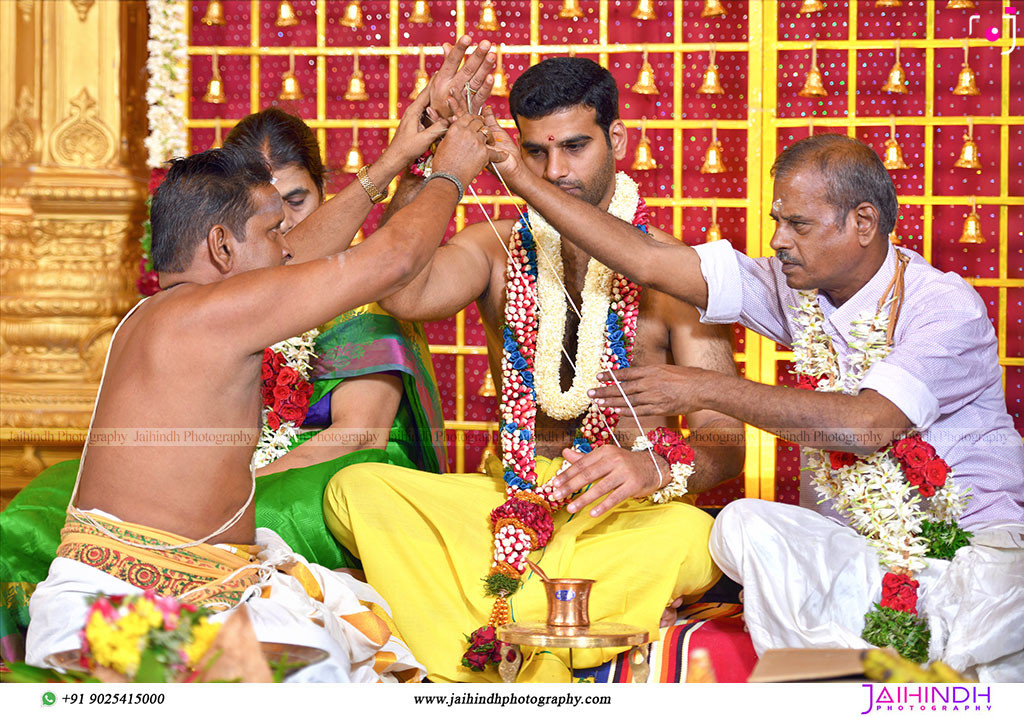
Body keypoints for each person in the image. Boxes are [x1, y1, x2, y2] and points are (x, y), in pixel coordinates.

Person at [0, 37, 497, 660]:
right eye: (271, 232)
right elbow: (393, 260)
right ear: (222, 246)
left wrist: (401, 155)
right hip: (132, 613)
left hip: (195, 586)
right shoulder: (213, 315)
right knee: (339, 674)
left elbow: (312, 253)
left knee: (357, 649)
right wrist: (453, 170)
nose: (290, 246)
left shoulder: (174, 308)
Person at [485, 131, 1024, 680]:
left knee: (986, 624)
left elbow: (868, 426)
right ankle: (842, 674)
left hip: (972, 547)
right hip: (857, 554)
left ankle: (903, 658)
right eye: (777, 221)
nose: (779, 240)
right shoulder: (796, 289)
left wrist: (705, 388)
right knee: (741, 525)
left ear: (863, 223)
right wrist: (521, 178)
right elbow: (648, 260)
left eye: (799, 225)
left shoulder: (944, 307)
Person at [323, 57, 746, 683]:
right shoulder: (493, 250)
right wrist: (431, 151)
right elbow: (402, 292)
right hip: (509, 502)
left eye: (574, 147)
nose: (553, 173)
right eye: (535, 152)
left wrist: (651, 464)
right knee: (356, 492)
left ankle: (490, 634)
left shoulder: (671, 270)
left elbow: (725, 440)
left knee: (690, 537)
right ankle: (557, 634)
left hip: (623, 517)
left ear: (618, 141)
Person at [223, 107, 448, 569]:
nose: (283, 222)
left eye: (297, 199)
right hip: (237, 472)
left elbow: (357, 434)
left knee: (232, 524)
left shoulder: (363, 297)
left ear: (325, 190)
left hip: (336, 476)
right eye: (262, 206)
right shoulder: (229, 293)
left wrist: (239, 482)